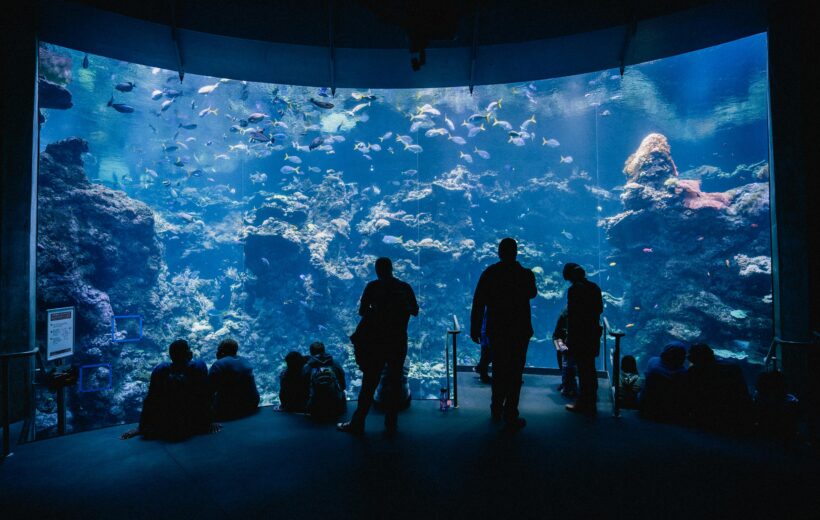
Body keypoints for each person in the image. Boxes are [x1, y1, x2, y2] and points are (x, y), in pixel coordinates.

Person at [338, 257, 419, 434]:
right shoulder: (404, 287)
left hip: (376, 343)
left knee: (369, 382)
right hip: (397, 342)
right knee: (395, 381)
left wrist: (378, 312)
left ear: (377, 270)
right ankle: (391, 423)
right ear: (392, 268)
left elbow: (361, 312)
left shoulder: (373, 287)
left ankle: (358, 423)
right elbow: (415, 310)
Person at [470, 238, 537, 432]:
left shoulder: (490, 273)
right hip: (519, 331)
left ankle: (496, 409)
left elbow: (478, 302)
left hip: (497, 330)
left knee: (499, 370)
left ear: (499, 253)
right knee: (515, 372)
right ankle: (510, 413)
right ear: (516, 253)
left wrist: (475, 328)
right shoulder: (525, 274)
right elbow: (532, 293)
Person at [121, 339, 219, 440]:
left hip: (166, 423)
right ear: (189, 354)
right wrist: (210, 421)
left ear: (171, 356)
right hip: (193, 422)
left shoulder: (160, 370)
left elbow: (150, 400)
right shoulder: (199, 367)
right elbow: (206, 395)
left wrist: (141, 428)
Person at [562, 263, 603, 414]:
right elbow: (600, 309)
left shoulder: (574, 290)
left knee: (583, 369)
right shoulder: (594, 287)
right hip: (592, 333)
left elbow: (572, 315)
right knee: (590, 368)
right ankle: (591, 400)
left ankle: (582, 402)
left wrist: (569, 338)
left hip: (580, 335)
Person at [686, 343, 750, 432]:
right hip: (735, 414)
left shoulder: (694, 371)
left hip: (706, 416)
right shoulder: (732, 366)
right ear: (712, 353)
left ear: (692, 358)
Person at [208, 338, 260, 421]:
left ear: (221, 351)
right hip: (252, 403)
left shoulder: (218, 365)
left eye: (219, 349)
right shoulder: (245, 360)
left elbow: (209, 390)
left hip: (232, 409)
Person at [639, 341, 689, 422]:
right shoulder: (683, 374)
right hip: (670, 412)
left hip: (646, 407)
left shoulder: (652, 361)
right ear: (682, 357)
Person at [303, 341, 347, 420]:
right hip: (336, 404)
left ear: (311, 353)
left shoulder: (308, 367)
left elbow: (304, 389)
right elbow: (343, 386)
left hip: (315, 405)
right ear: (324, 350)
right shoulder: (335, 363)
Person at [552, 307, 577, 398]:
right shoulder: (563, 316)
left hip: (578, 344)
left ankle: (570, 383)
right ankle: (566, 382)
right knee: (562, 354)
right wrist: (561, 345)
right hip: (565, 343)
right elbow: (556, 336)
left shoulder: (583, 317)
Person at [473, 308, 493, 384]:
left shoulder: (485, 305)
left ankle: (480, 370)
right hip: (487, 332)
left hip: (485, 332)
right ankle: (482, 373)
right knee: (488, 354)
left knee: (486, 353)